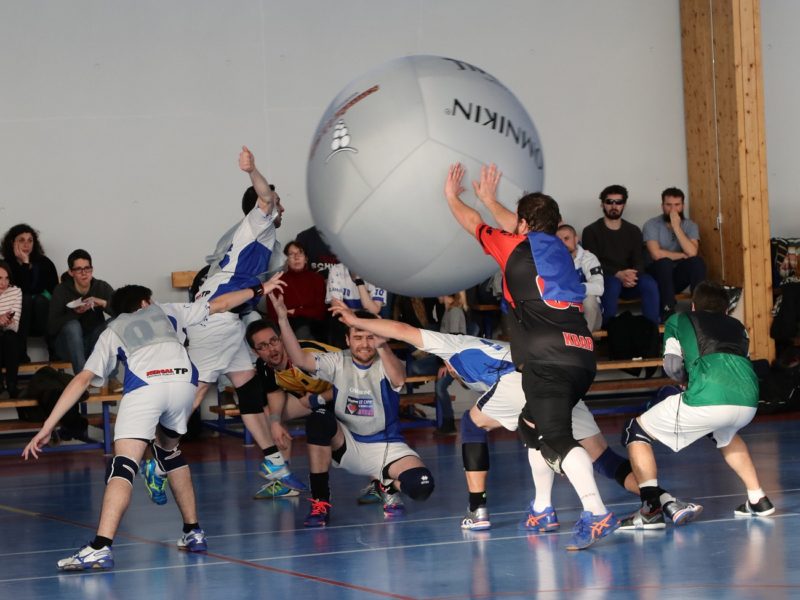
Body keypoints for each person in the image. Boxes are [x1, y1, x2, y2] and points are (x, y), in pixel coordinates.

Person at [21, 275, 284, 571]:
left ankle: (100, 547)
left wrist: (48, 425)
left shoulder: (112, 330)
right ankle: (193, 531)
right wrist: (259, 289)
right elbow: (222, 304)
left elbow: (82, 379)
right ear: (145, 302)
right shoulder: (168, 310)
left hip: (146, 387)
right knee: (169, 451)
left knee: (123, 465)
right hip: (184, 383)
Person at [329, 301, 637, 532]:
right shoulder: (488, 351)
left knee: (471, 423)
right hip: (556, 382)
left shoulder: (452, 346)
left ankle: (478, 511)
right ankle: (653, 498)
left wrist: (357, 320)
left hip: (521, 381)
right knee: (601, 457)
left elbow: (402, 331)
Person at [444, 162, 618, 550]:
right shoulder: (558, 248)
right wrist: (492, 200)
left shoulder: (514, 247)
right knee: (531, 426)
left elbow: (473, 223)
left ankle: (596, 512)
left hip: (547, 358)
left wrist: (453, 197)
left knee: (555, 437)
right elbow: (521, 225)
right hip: (581, 354)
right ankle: (542, 508)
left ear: (522, 225)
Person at [185, 146, 306, 496]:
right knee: (197, 392)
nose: (280, 207)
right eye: (277, 203)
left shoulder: (251, 234)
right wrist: (252, 171)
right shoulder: (259, 223)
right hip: (216, 318)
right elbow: (264, 196)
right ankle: (156, 452)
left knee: (247, 382)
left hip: (229, 316)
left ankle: (273, 460)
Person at [270, 292, 435, 527]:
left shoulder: (387, 360)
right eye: (358, 337)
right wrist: (283, 319)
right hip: (347, 444)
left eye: (370, 337)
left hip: (386, 447)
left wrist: (382, 344)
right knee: (318, 418)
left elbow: (398, 378)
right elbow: (300, 360)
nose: (364, 344)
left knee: (422, 485)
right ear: (348, 340)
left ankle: (386, 485)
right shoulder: (338, 360)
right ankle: (320, 502)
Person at [618, 280, 774, 530]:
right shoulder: (738, 326)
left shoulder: (679, 320)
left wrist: (686, 382)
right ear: (726, 309)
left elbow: (672, 366)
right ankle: (758, 498)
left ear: (693, 305)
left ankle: (650, 510)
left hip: (708, 397)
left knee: (635, 431)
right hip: (748, 401)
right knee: (724, 434)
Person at [244, 318, 338, 499]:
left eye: (274, 341)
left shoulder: (307, 354)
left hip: (354, 392)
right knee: (267, 414)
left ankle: (380, 485)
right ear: (255, 352)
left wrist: (318, 399)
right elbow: (275, 393)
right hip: (314, 398)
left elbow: (352, 380)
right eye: (263, 346)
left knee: (362, 433)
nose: (272, 349)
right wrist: (275, 422)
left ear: (282, 339)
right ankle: (283, 477)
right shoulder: (265, 366)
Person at [581, 185, 660, 326]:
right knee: (613, 283)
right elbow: (592, 263)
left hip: (630, 281)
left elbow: (639, 260)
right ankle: (606, 331)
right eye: (609, 202)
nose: (614, 206)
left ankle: (653, 330)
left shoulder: (633, 230)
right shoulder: (590, 231)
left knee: (648, 282)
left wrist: (631, 275)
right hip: (606, 280)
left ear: (624, 205)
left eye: (618, 202)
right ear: (602, 204)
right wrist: (618, 274)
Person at [643, 187, 707, 321]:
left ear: (683, 206)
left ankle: (699, 310)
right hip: (657, 275)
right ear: (662, 206)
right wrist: (682, 255)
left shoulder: (690, 225)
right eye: (668, 205)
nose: (673, 209)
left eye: (677, 205)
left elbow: (692, 252)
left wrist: (677, 227)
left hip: (677, 276)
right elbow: (656, 254)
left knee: (697, 262)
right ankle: (667, 310)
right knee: (664, 262)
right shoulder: (651, 224)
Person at [48, 249, 115, 374]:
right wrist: (75, 313)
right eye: (79, 269)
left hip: (93, 343)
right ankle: (82, 379)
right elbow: (51, 328)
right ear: (71, 272)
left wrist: (102, 302)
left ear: (92, 269)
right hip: (67, 346)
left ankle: (110, 376)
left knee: (114, 323)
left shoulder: (101, 286)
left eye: (87, 268)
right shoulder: (61, 290)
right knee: (72, 325)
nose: (84, 273)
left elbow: (123, 314)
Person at [1, 224, 59, 360]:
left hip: (42, 318)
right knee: (26, 298)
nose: (26, 244)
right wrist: (25, 263)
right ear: (12, 243)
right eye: (21, 240)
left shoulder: (45, 263)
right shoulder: (6, 265)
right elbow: (20, 291)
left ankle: (54, 350)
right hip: (16, 320)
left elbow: (56, 294)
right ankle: (21, 353)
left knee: (40, 300)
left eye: (30, 240)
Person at [264, 240, 327, 340]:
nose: (296, 257)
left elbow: (320, 312)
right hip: (284, 326)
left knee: (304, 328)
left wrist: (295, 311)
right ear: (287, 260)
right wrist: (301, 311)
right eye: (291, 254)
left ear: (306, 259)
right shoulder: (277, 281)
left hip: (314, 326)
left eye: (300, 253)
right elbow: (273, 315)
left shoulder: (317, 279)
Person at [556, 224, 603, 332]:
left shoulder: (589, 258)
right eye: (559, 241)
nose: (563, 243)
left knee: (589, 299)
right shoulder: (552, 261)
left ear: (576, 239)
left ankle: (584, 340)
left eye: (566, 238)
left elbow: (599, 288)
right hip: (566, 314)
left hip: (590, 316)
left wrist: (574, 288)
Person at [0, 260, 22, 397]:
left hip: (8, 344)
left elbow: (15, 327)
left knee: (10, 336)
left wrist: (8, 321)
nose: (3, 283)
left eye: (6, 278)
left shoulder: (16, 291)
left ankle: (12, 385)